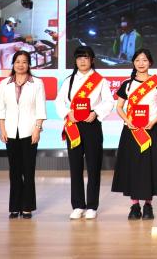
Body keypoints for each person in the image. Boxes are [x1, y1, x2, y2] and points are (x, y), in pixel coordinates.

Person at [111, 49, 157, 220]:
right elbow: (119, 107)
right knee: (133, 166)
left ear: (150, 62)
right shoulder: (127, 84)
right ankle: (135, 205)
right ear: (133, 62)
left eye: (144, 60)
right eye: (137, 60)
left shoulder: (156, 83)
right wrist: (128, 120)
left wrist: (154, 121)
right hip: (132, 131)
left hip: (152, 130)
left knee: (150, 167)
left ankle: (148, 205)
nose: (141, 63)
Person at [56, 46, 112, 220]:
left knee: (94, 167)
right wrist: (68, 113)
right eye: (79, 58)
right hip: (73, 126)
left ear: (92, 60)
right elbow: (59, 101)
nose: (82, 61)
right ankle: (78, 205)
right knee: (75, 167)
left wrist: (96, 113)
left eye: (86, 57)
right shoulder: (69, 80)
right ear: (75, 60)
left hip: (92, 125)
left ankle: (92, 206)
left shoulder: (100, 80)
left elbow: (109, 101)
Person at [0, 51, 46, 219]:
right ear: (13, 64)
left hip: (29, 131)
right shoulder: (5, 83)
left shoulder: (37, 83)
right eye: (17, 61)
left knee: (28, 170)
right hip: (10, 132)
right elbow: (0, 109)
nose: (20, 65)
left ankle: (27, 207)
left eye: (24, 62)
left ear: (29, 64)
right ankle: (15, 206)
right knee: (14, 171)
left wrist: (37, 129)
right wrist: (2, 129)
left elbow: (41, 108)